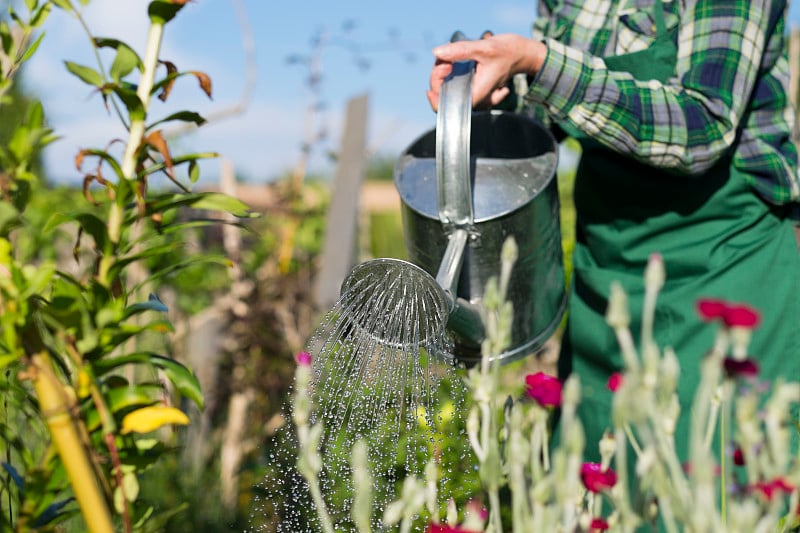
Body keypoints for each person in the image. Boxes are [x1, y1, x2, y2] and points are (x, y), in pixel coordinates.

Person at [427, 0, 800, 466]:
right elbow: (547, 119)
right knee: (594, 483)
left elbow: (702, 125)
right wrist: (498, 90)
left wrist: (540, 64)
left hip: (722, 264)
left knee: (711, 484)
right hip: (605, 275)